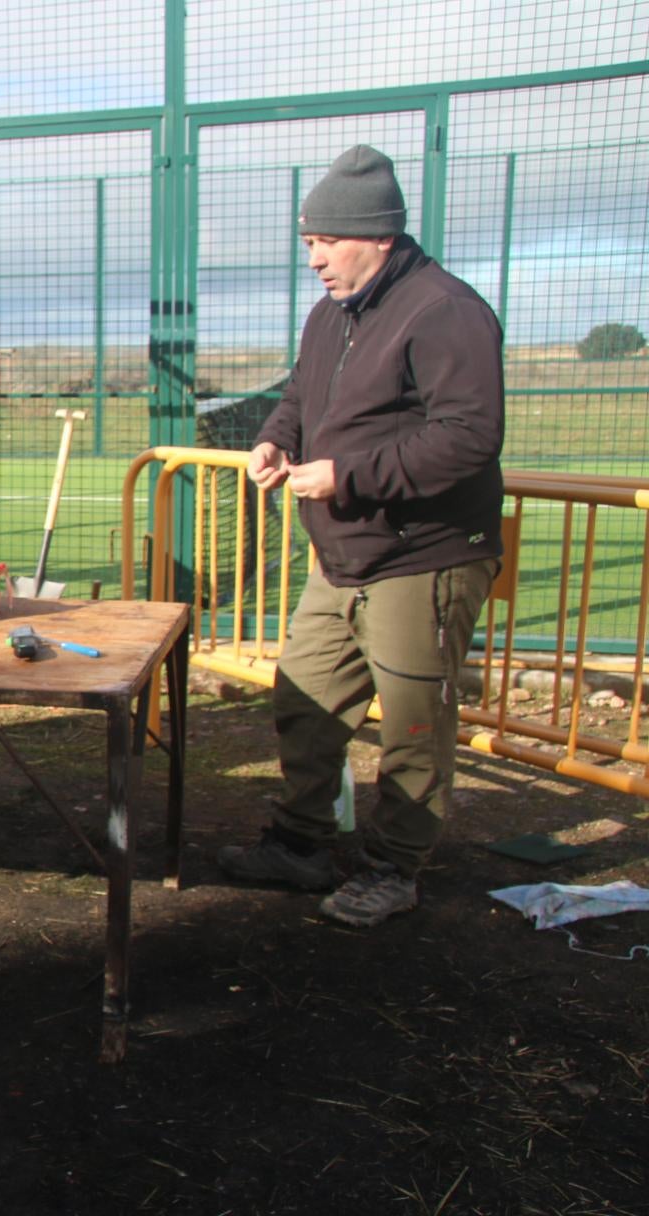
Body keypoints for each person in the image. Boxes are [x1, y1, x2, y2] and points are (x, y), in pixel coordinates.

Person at [216, 145, 504, 928]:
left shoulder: (446, 311)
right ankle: (302, 843)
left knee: (413, 722)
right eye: (307, 243)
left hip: (425, 556)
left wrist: (348, 476)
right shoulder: (331, 316)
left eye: (323, 243)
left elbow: (469, 435)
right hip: (342, 557)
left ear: (374, 236)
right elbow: (302, 398)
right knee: (304, 696)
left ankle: (394, 867)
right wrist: (277, 438)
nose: (312, 259)